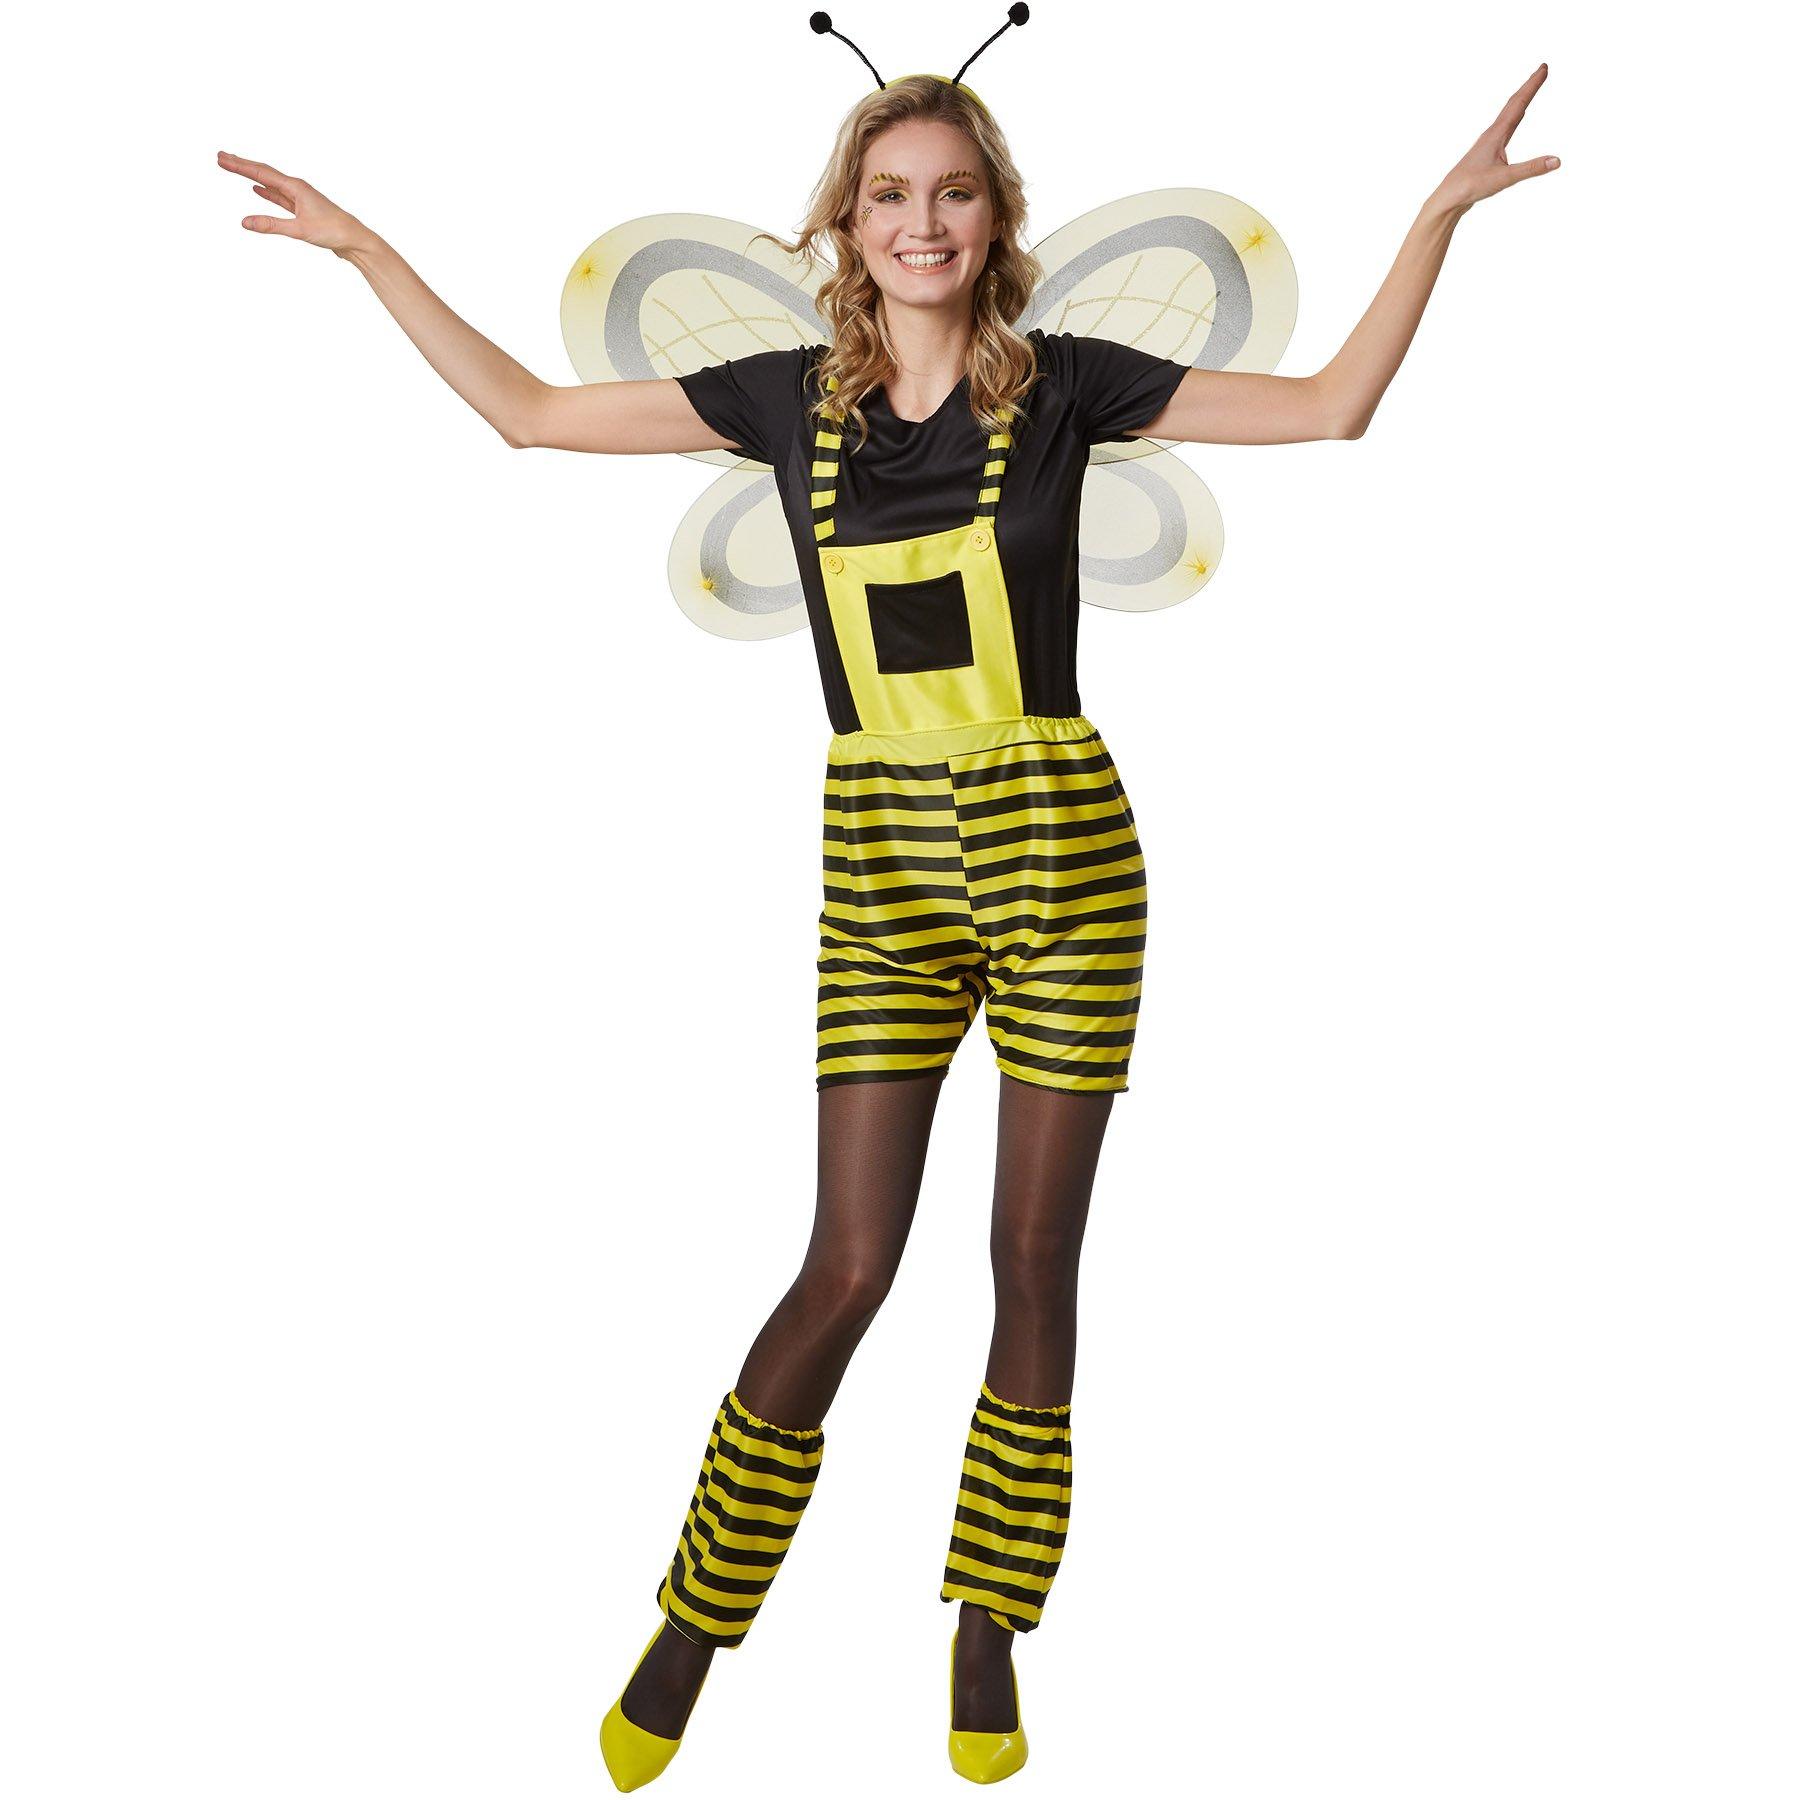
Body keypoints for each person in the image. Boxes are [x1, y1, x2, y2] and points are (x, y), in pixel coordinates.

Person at [218, 44, 1555, 1790]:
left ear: (996, 217)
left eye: (954, 193)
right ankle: (695, 1620)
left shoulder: (1070, 386)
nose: (923, 223)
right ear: (847, 226)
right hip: (882, 878)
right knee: (845, 1266)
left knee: (1030, 1265)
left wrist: (1436, 218)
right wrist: (368, 253)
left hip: (1068, 870)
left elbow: (1332, 407)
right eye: (890, 196)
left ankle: (989, 1625)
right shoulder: (784, 403)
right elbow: (531, 416)